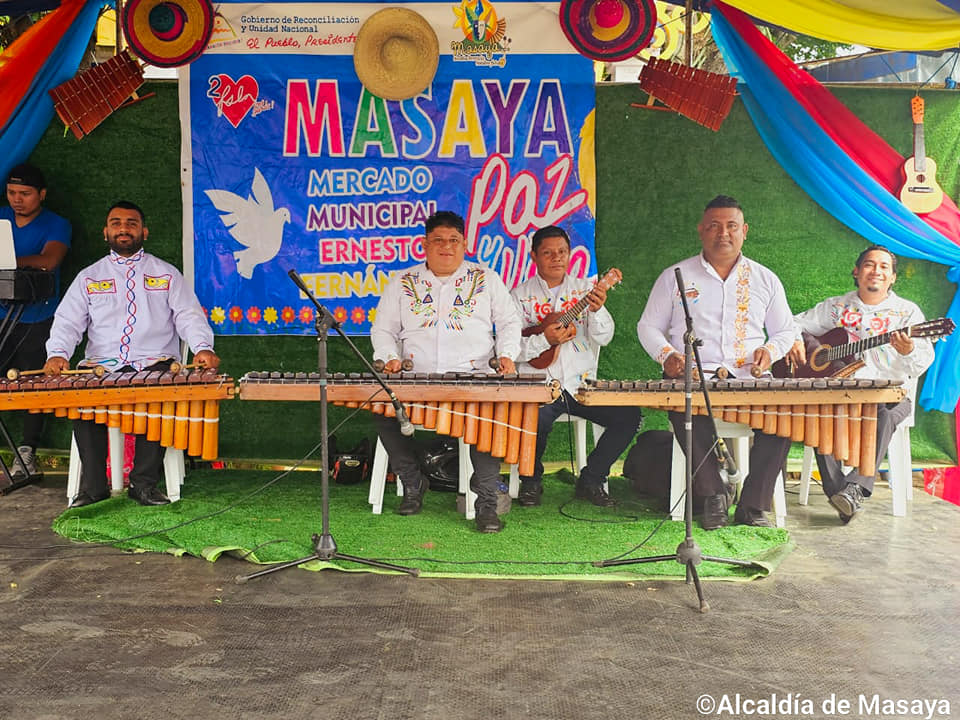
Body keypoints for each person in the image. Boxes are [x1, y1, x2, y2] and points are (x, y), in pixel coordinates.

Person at [44, 201, 219, 508]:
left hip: (155, 363)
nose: (123, 228)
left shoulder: (167, 274)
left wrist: (203, 347)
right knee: (82, 397)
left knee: (159, 394)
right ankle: (94, 488)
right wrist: (58, 353)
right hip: (100, 367)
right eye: (116, 223)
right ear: (106, 232)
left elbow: (189, 316)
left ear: (144, 232)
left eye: (131, 223)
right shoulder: (88, 277)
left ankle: (144, 485)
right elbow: (68, 322)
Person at [637, 195, 797, 529]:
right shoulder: (676, 276)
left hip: (749, 378)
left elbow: (785, 330)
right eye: (714, 226)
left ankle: (753, 505)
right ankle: (713, 496)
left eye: (731, 226)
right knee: (684, 410)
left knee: (784, 419)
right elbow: (648, 326)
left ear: (744, 231)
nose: (723, 233)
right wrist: (667, 356)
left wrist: (770, 351)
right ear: (701, 230)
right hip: (695, 377)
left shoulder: (765, 279)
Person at [370, 211, 522, 533]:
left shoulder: (486, 278)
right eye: (438, 240)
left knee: (489, 421)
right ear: (424, 245)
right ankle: (413, 481)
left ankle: (486, 503)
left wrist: (507, 355)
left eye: (454, 240)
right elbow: (383, 329)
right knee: (383, 411)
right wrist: (389, 357)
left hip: (474, 378)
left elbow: (510, 322)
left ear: (465, 244)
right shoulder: (402, 281)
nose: (446, 246)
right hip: (416, 378)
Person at [787, 245, 934, 523]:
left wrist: (909, 350)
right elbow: (794, 323)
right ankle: (841, 493)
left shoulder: (907, 313)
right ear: (856, 272)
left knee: (885, 414)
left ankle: (854, 489)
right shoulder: (837, 307)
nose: (876, 271)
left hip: (889, 395)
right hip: (840, 393)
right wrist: (797, 340)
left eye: (884, 267)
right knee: (816, 413)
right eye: (869, 264)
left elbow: (921, 363)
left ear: (893, 277)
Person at [511, 225, 641, 507]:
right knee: (535, 419)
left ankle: (592, 479)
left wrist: (597, 310)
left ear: (570, 254)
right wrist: (544, 340)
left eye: (562, 252)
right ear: (534, 256)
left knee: (629, 415)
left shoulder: (586, 291)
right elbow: (510, 349)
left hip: (581, 386)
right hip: (540, 387)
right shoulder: (519, 296)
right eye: (548, 253)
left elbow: (604, 337)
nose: (556, 257)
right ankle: (530, 480)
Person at [0, 164, 71, 481]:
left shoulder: (57, 224)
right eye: (12, 193)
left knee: (34, 384)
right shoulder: (1, 219)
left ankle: (27, 452)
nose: (17, 199)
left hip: (38, 317)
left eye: (25, 193)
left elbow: (49, 260)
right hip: (2, 315)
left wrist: (7, 262)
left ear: (41, 194)